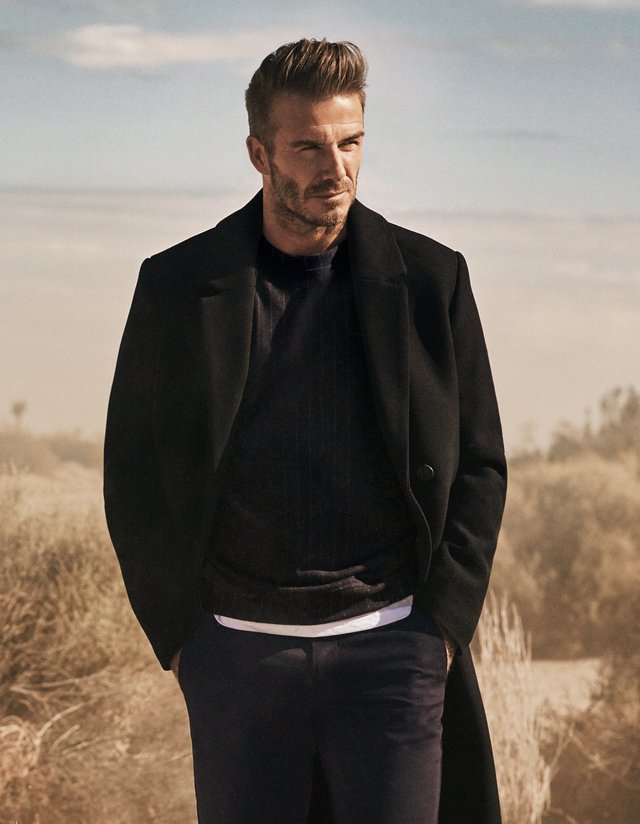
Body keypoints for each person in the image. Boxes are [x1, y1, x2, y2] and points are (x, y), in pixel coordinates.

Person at [104, 38, 507, 824]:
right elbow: (132, 472)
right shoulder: (177, 287)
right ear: (259, 154)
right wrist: (185, 638)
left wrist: (441, 629)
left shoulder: (432, 280)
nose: (337, 168)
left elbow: (481, 464)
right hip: (237, 656)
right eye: (309, 148)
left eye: (350, 142)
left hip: (393, 649)